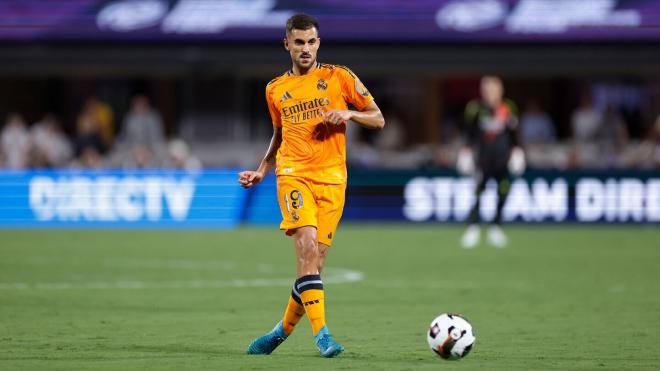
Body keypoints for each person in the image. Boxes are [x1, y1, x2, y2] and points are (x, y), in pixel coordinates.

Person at [239, 14, 384, 358]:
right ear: (286, 44)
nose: (305, 49)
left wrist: (349, 114)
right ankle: (323, 336)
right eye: (299, 42)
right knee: (305, 250)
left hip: (333, 179)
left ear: (319, 43)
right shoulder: (275, 89)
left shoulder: (339, 77)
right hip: (292, 174)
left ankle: (279, 332)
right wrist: (263, 170)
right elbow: (279, 133)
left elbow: (378, 118)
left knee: (314, 267)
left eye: (311, 42)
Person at [457, 76, 525, 248]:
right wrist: (465, 152)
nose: (489, 92)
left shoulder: (508, 108)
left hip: (502, 160)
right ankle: (473, 228)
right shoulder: (475, 109)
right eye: (486, 89)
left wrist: (518, 151)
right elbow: (468, 133)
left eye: (493, 88)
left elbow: (514, 133)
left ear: (500, 90)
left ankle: (496, 227)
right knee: (479, 192)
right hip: (482, 160)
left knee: (503, 192)